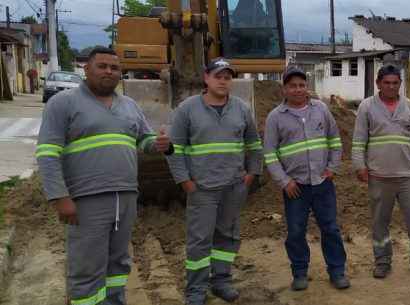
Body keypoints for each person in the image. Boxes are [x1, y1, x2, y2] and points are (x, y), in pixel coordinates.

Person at [36, 46, 170, 305]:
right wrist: (59, 197)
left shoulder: (129, 105)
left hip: (126, 196)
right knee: (87, 265)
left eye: (115, 67)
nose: (109, 71)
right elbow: (47, 153)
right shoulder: (63, 103)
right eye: (102, 66)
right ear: (86, 69)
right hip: (87, 199)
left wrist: (160, 144)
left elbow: (144, 139)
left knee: (118, 263)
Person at [165, 57, 263, 305]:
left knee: (227, 236)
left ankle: (221, 280)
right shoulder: (187, 109)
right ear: (206, 78)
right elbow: (174, 148)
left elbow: (254, 144)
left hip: (233, 187)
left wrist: (251, 174)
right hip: (202, 189)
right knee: (199, 240)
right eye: (218, 76)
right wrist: (184, 181)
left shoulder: (241, 108)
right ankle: (195, 290)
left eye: (227, 77)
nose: (223, 81)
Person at [262, 67, 349, 291]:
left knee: (330, 228)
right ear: (284, 89)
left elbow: (334, 140)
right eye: (293, 86)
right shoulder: (275, 117)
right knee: (296, 231)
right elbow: (270, 154)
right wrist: (284, 182)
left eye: (302, 85)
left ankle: (337, 271)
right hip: (295, 187)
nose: (298, 89)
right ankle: (300, 273)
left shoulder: (321, 109)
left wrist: (332, 168)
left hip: (322, 183)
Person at [352, 64, 410, 279]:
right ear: (378, 84)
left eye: (395, 83)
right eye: (386, 82)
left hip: (407, 176)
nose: (390, 86)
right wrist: (360, 166)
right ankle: (382, 261)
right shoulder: (367, 107)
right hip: (378, 176)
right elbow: (359, 140)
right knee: (380, 222)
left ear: (400, 84)